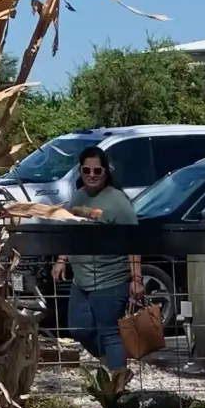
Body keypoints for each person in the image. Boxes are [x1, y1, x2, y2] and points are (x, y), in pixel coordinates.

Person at [52, 144, 143, 367]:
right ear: (81, 171)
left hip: (110, 279)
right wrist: (61, 260)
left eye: (97, 171)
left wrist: (137, 278)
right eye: (86, 170)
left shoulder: (118, 201)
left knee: (109, 332)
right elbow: (70, 232)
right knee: (78, 329)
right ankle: (111, 363)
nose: (91, 175)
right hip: (81, 280)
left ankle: (118, 383)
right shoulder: (77, 198)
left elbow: (134, 240)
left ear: (105, 172)